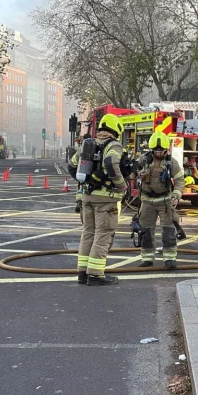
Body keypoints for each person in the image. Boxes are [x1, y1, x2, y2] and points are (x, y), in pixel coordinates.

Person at [71, 114, 127, 286]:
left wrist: (86, 182)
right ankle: (95, 274)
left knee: (88, 233)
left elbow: (72, 165)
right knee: (103, 234)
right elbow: (111, 163)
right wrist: (121, 185)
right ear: (116, 129)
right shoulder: (114, 145)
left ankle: (83, 272)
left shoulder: (89, 144)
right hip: (106, 200)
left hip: (87, 197)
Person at [136, 132, 185, 269]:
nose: (158, 153)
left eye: (161, 151)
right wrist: (138, 175)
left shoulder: (171, 162)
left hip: (165, 201)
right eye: (156, 151)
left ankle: (169, 258)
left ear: (166, 149)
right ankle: (147, 258)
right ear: (151, 150)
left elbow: (180, 180)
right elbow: (132, 174)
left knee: (168, 230)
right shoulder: (143, 160)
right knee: (146, 230)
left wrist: (176, 195)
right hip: (147, 200)